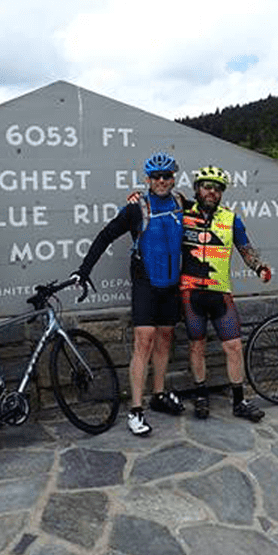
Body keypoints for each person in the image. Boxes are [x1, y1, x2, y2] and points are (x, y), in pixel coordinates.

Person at [74, 152, 188, 437]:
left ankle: (159, 395)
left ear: (174, 178)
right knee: (144, 341)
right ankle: (136, 409)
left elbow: (209, 212)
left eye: (167, 176)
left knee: (165, 339)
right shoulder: (137, 208)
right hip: (146, 283)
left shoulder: (181, 203)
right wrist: (84, 270)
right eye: (156, 177)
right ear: (148, 180)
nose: (162, 181)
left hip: (172, 283)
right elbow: (105, 236)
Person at [178, 166, 272, 422]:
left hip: (220, 292)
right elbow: (161, 198)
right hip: (190, 292)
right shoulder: (183, 214)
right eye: (207, 187)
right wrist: (136, 196)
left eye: (218, 189)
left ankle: (239, 400)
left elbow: (245, 248)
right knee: (196, 345)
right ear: (197, 189)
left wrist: (259, 267)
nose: (212, 192)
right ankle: (200, 394)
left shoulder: (231, 219)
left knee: (233, 346)